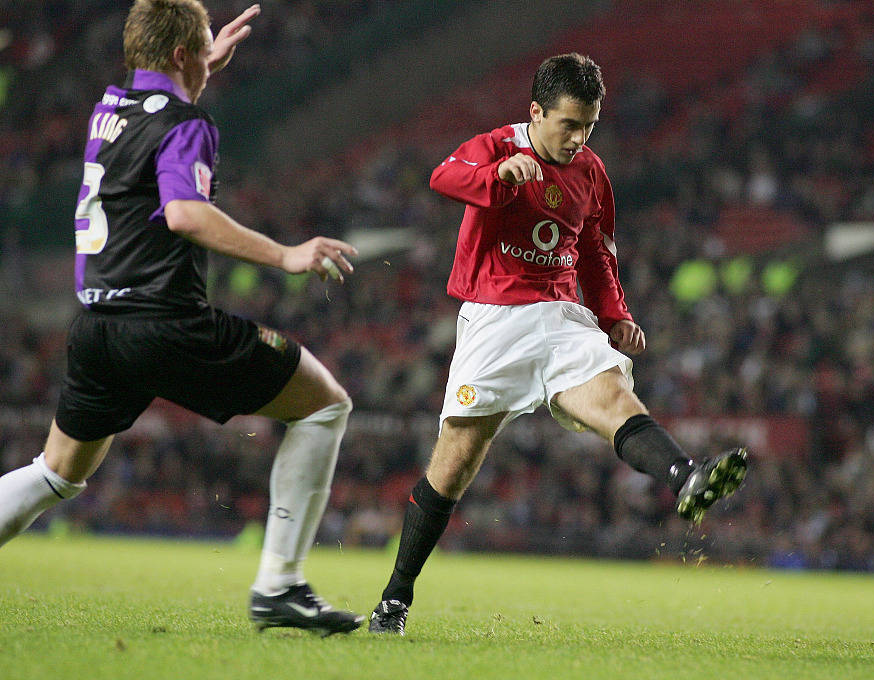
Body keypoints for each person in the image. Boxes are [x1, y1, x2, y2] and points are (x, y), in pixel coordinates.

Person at [0, 0, 364, 636]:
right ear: (180, 54)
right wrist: (286, 254)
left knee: (56, 472)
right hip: (163, 322)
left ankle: (282, 587)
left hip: (95, 326)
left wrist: (197, 67)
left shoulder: (109, 108)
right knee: (324, 404)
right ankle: (280, 586)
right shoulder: (188, 122)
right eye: (202, 46)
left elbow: (156, 113)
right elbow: (184, 213)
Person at [368, 53, 748, 635]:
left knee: (615, 396)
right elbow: (442, 177)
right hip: (495, 319)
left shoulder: (591, 172)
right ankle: (395, 598)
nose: (578, 139)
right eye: (568, 125)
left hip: (561, 315)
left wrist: (614, 315)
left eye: (588, 126)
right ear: (536, 113)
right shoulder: (497, 146)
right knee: (454, 464)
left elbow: (595, 251)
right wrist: (498, 177)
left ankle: (685, 476)